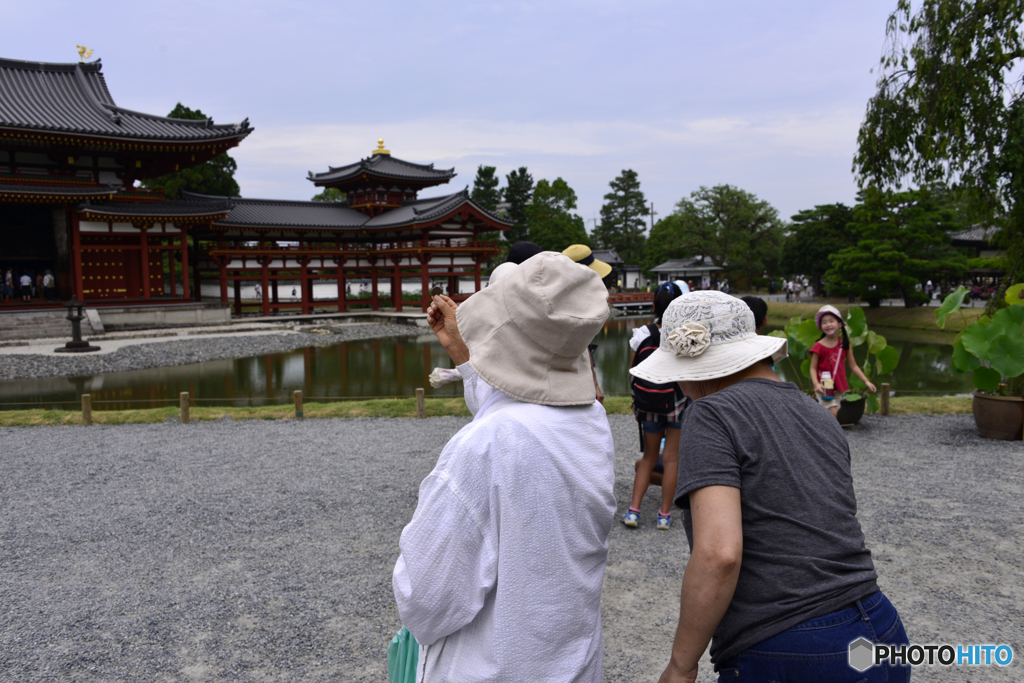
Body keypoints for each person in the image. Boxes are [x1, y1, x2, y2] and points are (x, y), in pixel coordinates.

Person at [629, 291, 909, 683]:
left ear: (697, 364)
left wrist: (681, 665)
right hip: (882, 627)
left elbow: (719, 555)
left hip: (792, 644)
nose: (678, 383)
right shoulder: (818, 414)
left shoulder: (711, 414)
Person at [393, 252, 615, 682]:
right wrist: (464, 352)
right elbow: (520, 406)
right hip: (572, 663)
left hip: (494, 668)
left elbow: (426, 598)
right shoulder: (591, 421)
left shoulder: (483, 447)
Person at [624, 282, 687, 530]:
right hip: (676, 403)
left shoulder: (642, 333)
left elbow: (633, 371)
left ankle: (633, 511)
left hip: (648, 403)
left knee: (649, 457)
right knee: (671, 460)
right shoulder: (686, 334)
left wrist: (634, 401)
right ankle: (663, 515)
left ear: (654, 305)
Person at [810, 305, 876, 419]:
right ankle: (830, 436)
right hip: (824, 386)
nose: (828, 324)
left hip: (838, 385)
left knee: (831, 414)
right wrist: (816, 384)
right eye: (824, 322)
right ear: (821, 326)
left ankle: (822, 433)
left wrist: (866, 381)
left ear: (840, 324)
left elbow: (853, 366)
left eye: (831, 321)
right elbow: (813, 368)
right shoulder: (818, 346)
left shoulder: (844, 344)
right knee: (832, 413)